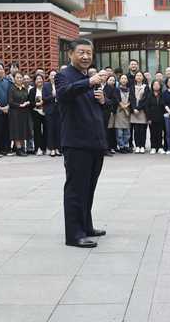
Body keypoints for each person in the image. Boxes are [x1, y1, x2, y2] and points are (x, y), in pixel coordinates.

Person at [56, 39, 108, 248]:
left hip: (94, 142)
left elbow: (98, 111)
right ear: (70, 54)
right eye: (81, 52)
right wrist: (88, 82)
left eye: (89, 53)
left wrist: (103, 101)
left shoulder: (89, 78)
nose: (85, 56)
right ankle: (74, 234)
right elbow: (63, 94)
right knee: (76, 189)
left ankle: (86, 226)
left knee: (89, 188)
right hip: (76, 143)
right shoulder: (64, 76)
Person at [8, 72, 31, 156]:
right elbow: (10, 102)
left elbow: (27, 98)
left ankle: (22, 148)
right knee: (16, 131)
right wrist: (20, 105)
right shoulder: (12, 88)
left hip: (24, 113)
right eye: (17, 77)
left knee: (22, 130)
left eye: (21, 77)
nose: (19, 79)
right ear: (14, 79)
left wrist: (28, 102)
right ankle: (18, 149)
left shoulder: (24, 89)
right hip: (15, 113)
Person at [110, 74, 132, 153]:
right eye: (122, 78)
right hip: (119, 111)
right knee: (119, 131)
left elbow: (131, 99)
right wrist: (124, 107)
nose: (123, 80)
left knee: (127, 131)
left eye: (125, 78)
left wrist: (127, 106)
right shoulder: (116, 89)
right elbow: (116, 99)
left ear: (127, 80)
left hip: (128, 111)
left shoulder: (130, 89)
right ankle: (121, 146)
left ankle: (126, 145)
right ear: (119, 80)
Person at [129, 71, 148, 153]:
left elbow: (145, 99)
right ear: (135, 77)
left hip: (143, 111)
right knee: (136, 130)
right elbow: (131, 98)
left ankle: (142, 146)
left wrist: (138, 108)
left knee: (143, 129)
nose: (139, 77)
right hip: (134, 111)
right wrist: (134, 108)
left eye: (140, 75)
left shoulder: (146, 87)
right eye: (137, 75)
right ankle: (137, 146)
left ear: (143, 77)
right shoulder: (132, 87)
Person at [28, 74, 47, 156]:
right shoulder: (32, 90)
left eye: (40, 79)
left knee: (46, 130)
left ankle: (45, 147)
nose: (39, 80)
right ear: (35, 81)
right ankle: (38, 148)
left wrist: (44, 102)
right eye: (37, 79)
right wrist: (37, 104)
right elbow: (30, 102)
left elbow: (49, 98)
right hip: (36, 112)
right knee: (37, 131)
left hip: (46, 112)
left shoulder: (46, 89)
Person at [145, 79, 165, 155]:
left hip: (160, 117)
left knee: (160, 133)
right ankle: (153, 147)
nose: (156, 86)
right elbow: (147, 107)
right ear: (152, 86)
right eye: (154, 85)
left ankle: (160, 147)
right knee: (152, 133)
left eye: (157, 85)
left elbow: (164, 106)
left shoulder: (162, 94)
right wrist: (148, 118)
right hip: (152, 117)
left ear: (160, 86)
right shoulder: (149, 95)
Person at [43, 71, 61, 157]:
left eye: (55, 75)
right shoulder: (46, 86)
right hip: (49, 111)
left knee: (58, 129)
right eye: (52, 75)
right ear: (49, 77)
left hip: (58, 111)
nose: (53, 77)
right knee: (50, 130)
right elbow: (44, 98)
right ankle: (52, 148)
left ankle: (58, 148)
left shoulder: (59, 85)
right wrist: (53, 96)